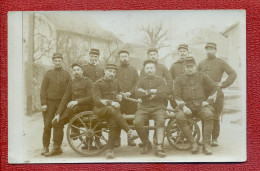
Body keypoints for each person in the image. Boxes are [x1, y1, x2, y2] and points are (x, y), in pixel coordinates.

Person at [44, 63, 93, 157]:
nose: (76, 72)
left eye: (78, 69)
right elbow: (65, 98)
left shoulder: (88, 81)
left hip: (85, 107)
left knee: (73, 108)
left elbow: (91, 97)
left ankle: (75, 130)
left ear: (82, 71)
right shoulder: (72, 82)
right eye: (74, 70)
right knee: (56, 122)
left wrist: (77, 101)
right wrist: (58, 113)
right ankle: (56, 148)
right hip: (73, 108)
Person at [92, 63, 138, 159]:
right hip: (100, 109)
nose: (111, 73)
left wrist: (120, 96)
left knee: (114, 122)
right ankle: (129, 131)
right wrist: (111, 103)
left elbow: (120, 92)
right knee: (111, 109)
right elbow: (97, 100)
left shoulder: (116, 82)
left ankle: (110, 150)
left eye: (113, 72)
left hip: (113, 111)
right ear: (105, 71)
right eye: (109, 71)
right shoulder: (97, 84)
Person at [174, 56, 217, 155]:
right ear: (184, 67)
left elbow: (214, 88)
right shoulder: (179, 79)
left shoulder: (203, 76)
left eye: (192, 66)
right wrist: (184, 107)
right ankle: (193, 143)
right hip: (185, 106)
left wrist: (208, 101)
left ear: (195, 66)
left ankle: (206, 144)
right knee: (180, 117)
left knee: (209, 115)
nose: (189, 69)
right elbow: (176, 95)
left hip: (201, 105)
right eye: (187, 67)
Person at [197, 42, 237, 146]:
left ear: (215, 50)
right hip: (204, 94)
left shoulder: (221, 62)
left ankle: (214, 139)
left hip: (216, 93)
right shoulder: (201, 63)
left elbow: (233, 74)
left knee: (215, 116)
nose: (209, 51)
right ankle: (205, 138)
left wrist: (223, 84)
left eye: (211, 49)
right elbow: (196, 76)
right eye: (207, 49)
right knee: (204, 115)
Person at [139, 48, 173, 147]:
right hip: (147, 98)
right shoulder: (144, 69)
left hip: (161, 98)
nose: (153, 56)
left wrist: (166, 92)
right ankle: (145, 140)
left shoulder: (163, 68)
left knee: (159, 118)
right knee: (144, 119)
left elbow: (170, 81)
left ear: (157, 56)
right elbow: (140, 83)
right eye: (151, 55)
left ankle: (156, 137)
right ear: (148, 57)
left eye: (154, 54)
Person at [134, 59, 168, 158]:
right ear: (144, 70)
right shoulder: (141, 81)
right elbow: (137, 93)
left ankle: (160, 146)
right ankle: (146, 143)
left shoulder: (161, 80)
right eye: (147, 68)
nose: (149, 70)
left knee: (161, 121)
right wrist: (151, 91)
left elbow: (164, 93)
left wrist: (145, 92)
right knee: (137, 122)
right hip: (143, 107)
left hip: (158, 107)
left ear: (155, 69)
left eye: (151, 68)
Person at [40, 53, 71, 155]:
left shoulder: (67, 74)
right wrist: (44, 103)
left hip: (62, 103)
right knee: (47, 125)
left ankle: (57, 147)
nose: (58, 63)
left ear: (62, 62)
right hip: (49, 103)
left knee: (59, 124)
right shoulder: (48, 74)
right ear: (53, 62)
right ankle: (45, 147)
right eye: (56, 61)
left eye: (59, 61)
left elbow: (70, 89)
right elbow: (43, 89)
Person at [114, 50, 139, 147]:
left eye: (125, 56)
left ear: (128, 58)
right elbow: (113, 83)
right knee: (117, 118)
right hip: (119, 99)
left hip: (131, 99)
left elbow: (137, 83)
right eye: (122, 56)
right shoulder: (116, 69)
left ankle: (130, 139)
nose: (124, 58)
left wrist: (130, 92)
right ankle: (117, 139)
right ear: (119, 58)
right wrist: (120, 93)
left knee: (130, 119)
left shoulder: (133, 69)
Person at [169, 44, 189, 108]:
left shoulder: (192, 64)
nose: (182, 53)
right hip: (178, 92)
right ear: (178, 53)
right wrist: (170, 92)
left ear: (187, 52)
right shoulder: (174, 65)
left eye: (184, 51)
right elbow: (170, 80)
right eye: (180, 51)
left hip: (190, 92)